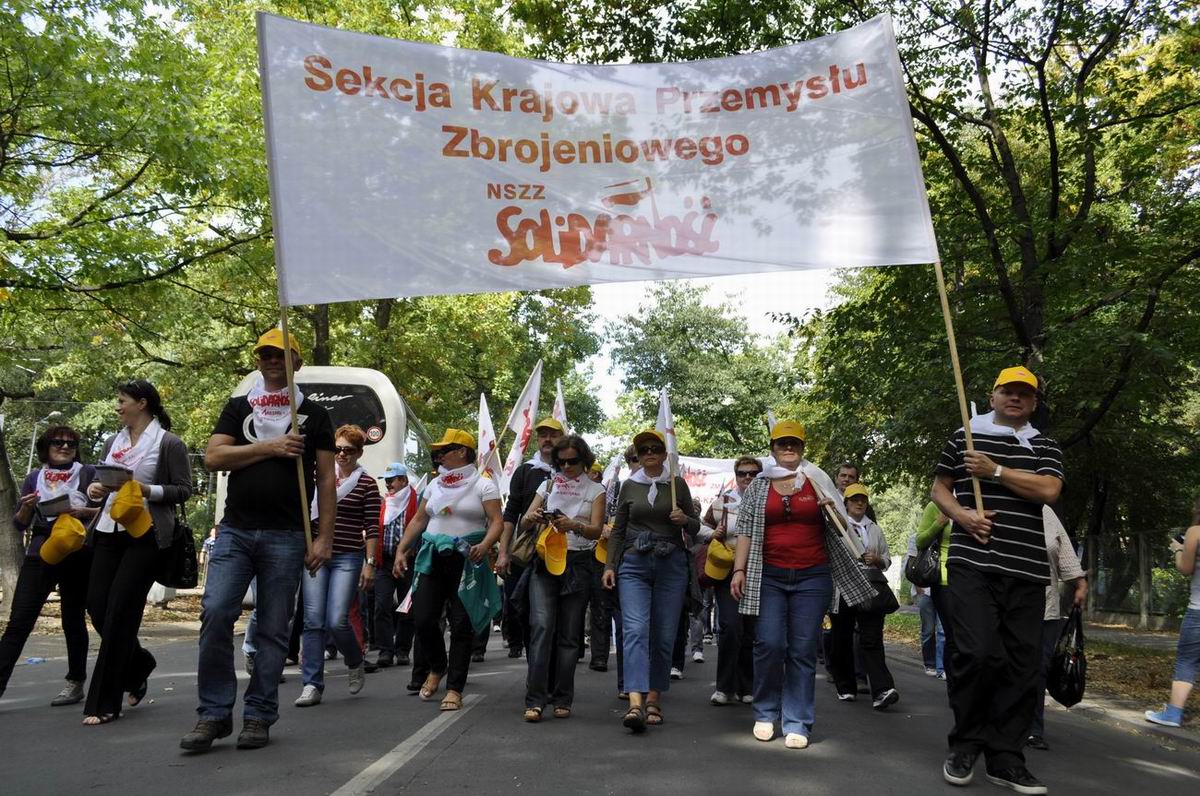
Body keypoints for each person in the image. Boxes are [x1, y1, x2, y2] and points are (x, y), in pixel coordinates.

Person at [180, 329, 336, 751]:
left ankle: (258, 715)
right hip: (235, 531)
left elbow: (326, 479)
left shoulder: (315, 415)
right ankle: (213, 715)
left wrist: (323, 538)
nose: (272, 361)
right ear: (257, 361)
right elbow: (214, 457)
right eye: (265, 355)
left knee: (272, 628)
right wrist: (271, 447)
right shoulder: (239, 407)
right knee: (215, 612)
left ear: (296, 363)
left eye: (281, 355)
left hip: (288, 536)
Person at [933, 366, 1064, 794]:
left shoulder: (1044, 445)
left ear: (1034, 403)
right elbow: (940, 489)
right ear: (993, 397)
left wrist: (995, 472)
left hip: (1027, 569)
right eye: (1008, 391)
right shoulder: (966, 436)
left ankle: (1005, 757)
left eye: (1024, 394)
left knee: (1023, 667)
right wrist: (964, 516)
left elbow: (1048, 490)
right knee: (977, 653)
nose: (1015, 398)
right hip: (974, 563)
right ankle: (965, 744)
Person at [729, 420, 874, 750]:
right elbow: (746, 530)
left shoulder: (817, 479)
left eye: (794, 443)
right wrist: (739, 570)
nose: (788, 448)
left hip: (812, 576)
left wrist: (831, 510)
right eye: (782, 443)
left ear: (802, 447)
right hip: (769, 576)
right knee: (769, 644)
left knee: (802, 649)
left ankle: (797, 721)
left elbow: (843, 528)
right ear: (772, 449)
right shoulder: (759, 485)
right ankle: (766, 712)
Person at [84, 380, 192, 725]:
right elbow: (100, 481)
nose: (117, 406)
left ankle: (104, 703)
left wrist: (147, 489)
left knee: (120, 612)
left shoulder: (168, 443)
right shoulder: (112, 441)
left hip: (146, 535)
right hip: (108, 528)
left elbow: (183, 490)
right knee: (97, 606)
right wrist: (96, 487)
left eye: (122, 400)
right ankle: (140, 662)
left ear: (142, 403)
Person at [393, 429, 503, 712]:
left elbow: (496, 522)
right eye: (438, 452)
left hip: (467, 560)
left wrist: (485, 545)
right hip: (432, 558)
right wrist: (401, 549)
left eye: (444, 450)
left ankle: (454, 688)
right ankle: (437, 666)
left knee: (461, 625)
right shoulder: (434, 485)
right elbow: (419, 520)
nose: (439, 456)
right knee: (422, 619)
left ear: (462, 452)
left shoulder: (483, 485)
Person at [601, 429, 700, 733]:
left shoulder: (677, 484)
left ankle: (654, 697)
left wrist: (685, 520)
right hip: (634, 563)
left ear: (664, 453)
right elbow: (618, 530)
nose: (649, 453)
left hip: (671, 564)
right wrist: (610, 565)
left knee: (664, 633)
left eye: (655, 448)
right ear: (638, 455)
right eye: (643, 450)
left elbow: (695, 527)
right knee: (634, 630)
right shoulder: (629, 486)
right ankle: (635, 702)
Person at [0, 425, 98, 706]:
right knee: (19, 622)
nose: (65, 447)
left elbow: (105, 511)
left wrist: (84, 511)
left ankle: (75, 682)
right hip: (40, 553)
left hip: (77, 553)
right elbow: (20, 524)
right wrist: (26, 507)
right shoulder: (34, 477)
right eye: (57, 442)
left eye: (71, 443)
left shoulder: (88, 473)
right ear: (46, 447)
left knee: (73, 619)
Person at [520, 434, 606, 720]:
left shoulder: (596, 489)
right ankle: (535, 699)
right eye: (561, 462)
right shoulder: (547, 485)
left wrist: (573, 525)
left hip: (578, 563)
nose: (567, 467)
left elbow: (597, 530)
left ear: (585, 460)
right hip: (545, 562)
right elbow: (524, 520)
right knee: (542, 628)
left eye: (573, 461)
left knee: (569, 636)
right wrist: (533, 517)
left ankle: (563, 698)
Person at [295, 424, 380, 707]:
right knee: (313, 620)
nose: (342, 454)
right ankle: (311, 684)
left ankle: (354, 660)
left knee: (337, 620)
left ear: (359, 453)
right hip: (316, 556)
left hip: (348, 556)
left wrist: (370, 564)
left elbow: (372, 527)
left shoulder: (367, 484)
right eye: (338, 449)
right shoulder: (318, 477)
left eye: (349, 450)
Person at [497, 418, 565, 659]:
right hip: (528, 553)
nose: (547, 439)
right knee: (521, 607)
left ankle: (552, 664)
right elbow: (510, 515)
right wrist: (503, 553)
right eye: (543, 435)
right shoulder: (525, 471)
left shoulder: (571, 470)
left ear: (563, 439)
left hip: (562, 551)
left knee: (559, 614)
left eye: (553, 435)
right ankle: (533, 657)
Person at [829, 484, 899, 710]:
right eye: (854, 499)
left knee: (872, 638)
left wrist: (877, 559)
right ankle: (845, 686)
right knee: (842, 637)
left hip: (871, 587)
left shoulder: (874, 529)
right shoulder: (837, 524)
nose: (859, 503)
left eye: (863, 500)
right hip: (843, 586)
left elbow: (886, 560)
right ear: (846, 503)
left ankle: (882, 689)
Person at [1026, 505, 1087, 749]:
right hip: (1008, 607)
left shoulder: (1047, 513)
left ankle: (1033, 729)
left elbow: (1066, 555)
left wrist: (1080, 583)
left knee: (1039, 668)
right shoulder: (1000, 505)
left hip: (1046, 607)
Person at [706, 456, 761, 705]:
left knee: (750, 631)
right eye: (742, 473)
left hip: (758, 571)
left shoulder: (767, 501)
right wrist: (713, 533)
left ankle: (746, 686)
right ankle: (724, 687)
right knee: (730, 627)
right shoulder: (722, 503)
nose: (747, 477)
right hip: (728, 572)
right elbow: (700, 528)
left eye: (753, 473)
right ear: (736, 475)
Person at [1145, 501, 1200, 728]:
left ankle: (1173, 714)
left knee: (1187, 661)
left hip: (1198, 610)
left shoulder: (1195, 532)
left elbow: (1185, 569)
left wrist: (1178, 549)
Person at [372, 462, 418, 668]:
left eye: (392, 480)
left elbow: (421, 531)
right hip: (384, 562)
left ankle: (402, 650)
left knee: (407, 607)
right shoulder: (384, 504)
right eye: (386, 481)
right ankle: (385, 651)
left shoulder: (417, 502)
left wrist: (407, 553)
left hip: (408, 561)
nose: (388, 484)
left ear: (404, 480)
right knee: (381, 605)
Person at [905, 531, 945, 678]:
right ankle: (929, 663)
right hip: (925, 590)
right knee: (928, 630)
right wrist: (918, 586)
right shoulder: (916, 538)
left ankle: (941, 668)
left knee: (942, 631)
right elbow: (911, 563)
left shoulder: (947, 536)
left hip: (943, 589)